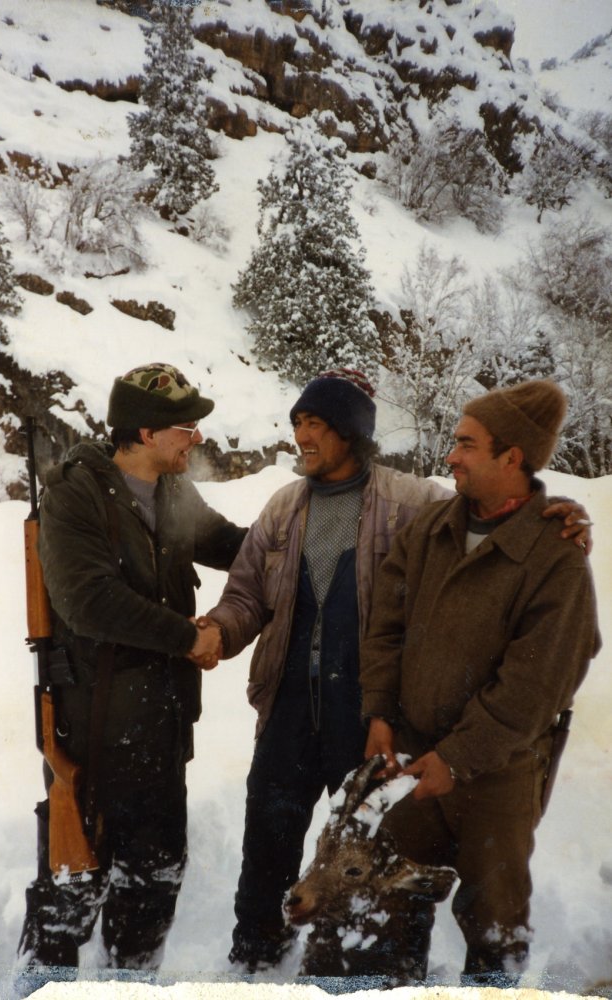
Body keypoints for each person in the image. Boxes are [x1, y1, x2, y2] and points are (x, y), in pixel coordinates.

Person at [201, 368, 591, 973]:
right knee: (268, 844)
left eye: (315, 423)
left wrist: (560, 511)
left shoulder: (413, 504)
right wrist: (220, 630)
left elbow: (497, 512)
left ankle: (370, 968)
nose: (302, 436)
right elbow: (249, 592)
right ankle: (256, 962)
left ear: (350, 431)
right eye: (297, 422)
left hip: (366, 722)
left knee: (373, 861)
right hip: (296, 708)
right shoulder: (285, 506)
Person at [360, 379, 601, 986]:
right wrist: (380, 713)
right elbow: (385, 628)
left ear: (511, 456)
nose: (451, 457)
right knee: (390, 908)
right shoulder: (429, 530)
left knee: (495, 926)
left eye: (466, 444)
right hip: (414, 756)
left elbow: (537, 684)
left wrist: (459, 757)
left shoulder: (556, 556)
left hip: (500, 773)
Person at [16, 363, 245, 991]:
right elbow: (89, 602)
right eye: (185, 428)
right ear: (145, 433)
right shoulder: (75, 495)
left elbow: (232, 545)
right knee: (71, 892)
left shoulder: (172, 491)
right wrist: (188, 637)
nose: (196, 438)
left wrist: (311, 535)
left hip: (163, 724)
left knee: (153, 882)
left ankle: (130, 988)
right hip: (94, 728)